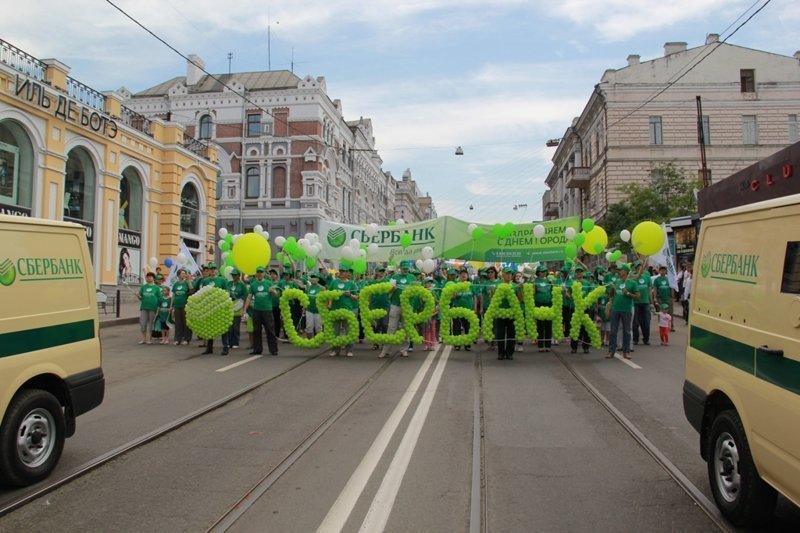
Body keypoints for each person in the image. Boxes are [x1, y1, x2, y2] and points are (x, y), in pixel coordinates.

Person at [378, 260, 417, 358]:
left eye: (407, 268)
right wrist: (392, 289)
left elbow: (416, 292)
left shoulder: (412, 277)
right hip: (395, 305)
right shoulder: (394, 277)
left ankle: (404, 349)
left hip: (408, 306)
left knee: (406, 328)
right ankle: (386, 350)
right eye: (404, 268)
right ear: (400, 268)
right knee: (391, 327)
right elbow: (388, 291)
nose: (405, 270)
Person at [243, 266, 279, 355]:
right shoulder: (253, 284)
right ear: (256, 274)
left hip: (267, 310)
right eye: (258, 272)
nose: (259, 274)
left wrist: (273, 291)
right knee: (257, 330)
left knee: (270, 330)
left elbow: (276, 295)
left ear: (264, 274)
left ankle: (273, 349)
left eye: (261, 272)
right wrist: (244, 309)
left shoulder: (269, 283)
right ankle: (257, 349)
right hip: (257, 310)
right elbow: (248, 298)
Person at [607, 263, 640, 360]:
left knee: (627, 331)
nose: (618, 271)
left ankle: (626, 351)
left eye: (620, 270)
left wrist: (628, 293)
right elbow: (612, 295)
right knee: (613, 331)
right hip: (615, 309)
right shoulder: (617, 282)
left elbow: (638, 297)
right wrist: (612, 290)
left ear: (625, 271)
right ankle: (611, 351)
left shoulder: (632, 283)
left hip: (626, 309)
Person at [200, 263, 230, 355]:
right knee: (210, 327)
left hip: (220, 307)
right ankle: (209, 347)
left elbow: (226, 293)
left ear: (216, 270)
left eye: (214, 268)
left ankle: (225, 347)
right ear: (209, 271)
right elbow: (203, 294)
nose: (212, 270)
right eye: (211, 269)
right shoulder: (206, 281)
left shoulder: (222, 280)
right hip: (209, 307)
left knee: (223, 328)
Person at [329, 266, 358, 357]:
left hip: (347, 310)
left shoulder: (351, 284)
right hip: (335, 310)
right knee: (335, 331)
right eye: (340, 271)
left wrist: (350, 295)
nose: (341, 273)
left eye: (343, 271)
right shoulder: (334, 282)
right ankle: (335, 350)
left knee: (349, 331)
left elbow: (356, 297)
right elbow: (328, 294)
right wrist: (329, 303)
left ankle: (349, 350)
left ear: (347, 273)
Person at [495, 267, 522, 360]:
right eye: (507, 273)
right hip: (500, 313)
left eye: (510, 274)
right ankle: (501, 352)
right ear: (502, 275)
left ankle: (510, 352)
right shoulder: (498, 285)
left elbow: (520, 299)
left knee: (511, 333)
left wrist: (520, 289)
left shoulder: (515, 285)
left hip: (512, 313)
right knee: (500, 334)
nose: (509, 275)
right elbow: (493, 299)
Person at [569, 264, 593, 354]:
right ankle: (573, 347)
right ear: (575, 273)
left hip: (585, 308)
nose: (579, 273)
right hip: (575, 308)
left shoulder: (587, 283)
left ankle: (586, 347)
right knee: (575, 327)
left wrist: (587, 303)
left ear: (583, 273)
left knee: (586, 328)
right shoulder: (573, 283)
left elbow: (591, 293)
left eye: (580, 271)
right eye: (577, 272)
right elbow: (568, 293)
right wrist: (571, 296)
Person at [631, 260, 653, 346]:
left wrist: (651, 301)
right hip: (636, 302)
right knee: (635, 322)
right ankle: (635, 339)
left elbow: (650, 289)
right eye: (638, 267)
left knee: (646, 322)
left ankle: (646, 339)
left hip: (645, 302)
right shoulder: (633, 277)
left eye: (641, 267)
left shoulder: (647, 277)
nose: (640, 268)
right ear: (635, 269)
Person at [225, 269, 248, 350]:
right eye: (233, 275)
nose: (234, 276)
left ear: (239, 275)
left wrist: (244, 309)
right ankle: (228, 342)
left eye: (235, 275)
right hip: (229, 306)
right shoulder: (229, 283)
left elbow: (246, 297)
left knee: (235, 327)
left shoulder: (242, 285)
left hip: (238, 307)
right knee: (229, 327)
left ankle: (235, 342)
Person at [452, 267, 474, 351]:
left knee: (467, 327)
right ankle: (457, 344)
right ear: (459, 276)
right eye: (462, 274)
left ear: (467, 276)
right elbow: (452, 296)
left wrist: (474, 307)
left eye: (465, 274)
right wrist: (456, 295)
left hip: (468, 309)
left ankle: (467, 344)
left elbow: (474, 296)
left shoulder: (470, 285)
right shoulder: (456, 285)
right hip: (457, 309)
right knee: (457, 327)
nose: (463, 275)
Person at [533, 265, 553, 352]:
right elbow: (533, 292)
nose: (544, 273)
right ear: (538, 272)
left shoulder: (549, 280)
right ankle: (541, 345)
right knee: (540, 325)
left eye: (545, 271)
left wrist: (552, 283)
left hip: (549, 303)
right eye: (542, 271)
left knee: (548, 325)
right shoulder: (535, 281)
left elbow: (553, 290)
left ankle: (548, 345)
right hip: (539, 304)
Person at [170, 268, 192, 345]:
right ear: (178, 275)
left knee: (186, 322)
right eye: (182, 273)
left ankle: (186, 339)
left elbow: (191, 290)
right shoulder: (176, 284)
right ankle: (177, 339)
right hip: (177, 305)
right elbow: (173, 295)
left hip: (185, 306)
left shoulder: (186, 283)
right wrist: (171, 306)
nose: (184, 275)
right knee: (178, 323)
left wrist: (188, 281)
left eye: (184, 273)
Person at [137, 271, 160, 345]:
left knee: (151, 323)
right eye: (148, 277)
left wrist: (158, 308)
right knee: (142, 323)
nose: (149, 278)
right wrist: (138, 296)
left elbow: (159, 298)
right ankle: (144, 339)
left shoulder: (156, 288)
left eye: (151, 277)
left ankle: (149, 339)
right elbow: (141, 298)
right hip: (144, 307)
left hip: (153, 308)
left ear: (153, 278)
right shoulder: (143, 287)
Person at [651, 265, 674, 332]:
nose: (663, 271)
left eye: (664, 270)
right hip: (660, 299)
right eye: (661, 270)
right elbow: (655, 289)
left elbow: (672, 288)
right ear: (659, 271)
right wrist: (655, 298)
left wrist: (672, 297)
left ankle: (671, 326)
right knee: (661, 313)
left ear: (666, 271)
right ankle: (661, 326)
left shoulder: (669, 279)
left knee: (670, 312)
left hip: (668, 298)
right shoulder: (657, 280)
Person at [304, 272, 325, 339]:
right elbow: (305, 298)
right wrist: (304, 307)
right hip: (309, 309)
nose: (313, 279)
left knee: (318, 327)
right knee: (309, 326)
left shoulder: (321, 288)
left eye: (314, 277)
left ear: (318, 279)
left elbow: (326, 298)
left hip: (318, 310)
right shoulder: (309, 288)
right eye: (312, 277)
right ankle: (310, 341)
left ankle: (318, 341)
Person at [422, 278, 438, 350]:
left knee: (432, 328)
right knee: (426, 328)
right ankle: (426, 344)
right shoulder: (423, 292)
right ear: (424, 284)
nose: (429, 284)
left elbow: (436, 300)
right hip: (426, 312)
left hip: (433, 312)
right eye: (427, 283)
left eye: (430, 283)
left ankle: (432, 344)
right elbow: (422, 301)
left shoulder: (433, 291)